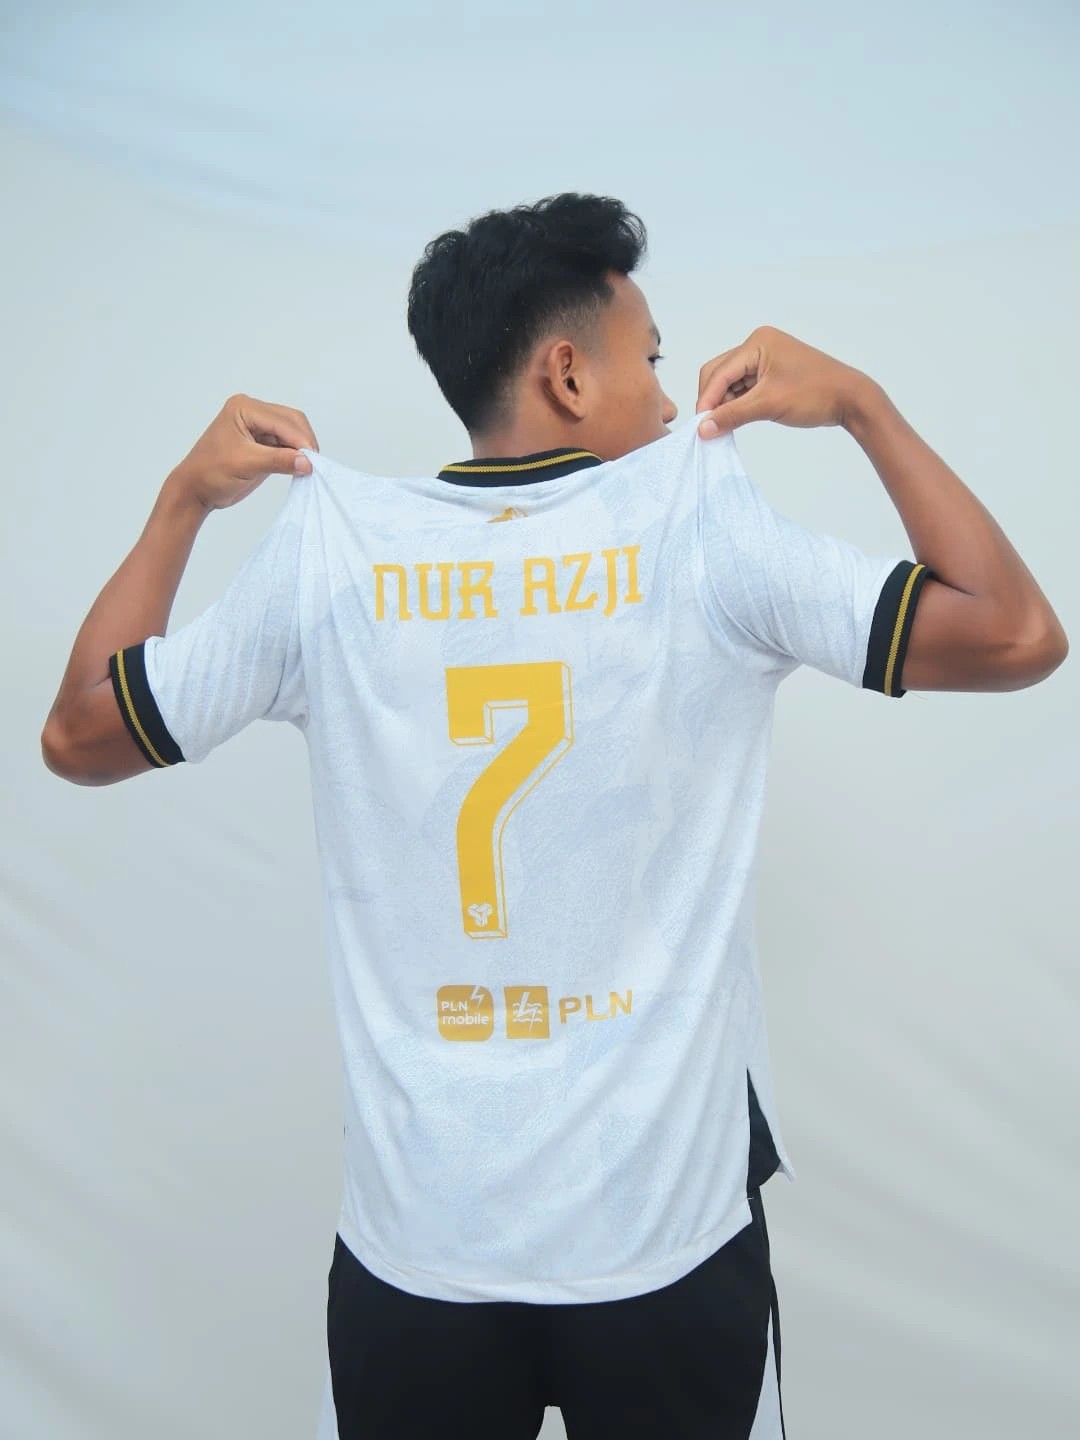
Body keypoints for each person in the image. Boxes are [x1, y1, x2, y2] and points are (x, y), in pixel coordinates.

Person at [41, 193, 1067, 1440]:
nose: (671, 398)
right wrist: (859, 403)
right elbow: (1017, 633)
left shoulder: (329, 558)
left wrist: (181, 500)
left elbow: (79, 734)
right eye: (651, 360)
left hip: (421, 1249)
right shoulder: (704, 526)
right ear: (568, 375)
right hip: (664, 1242)